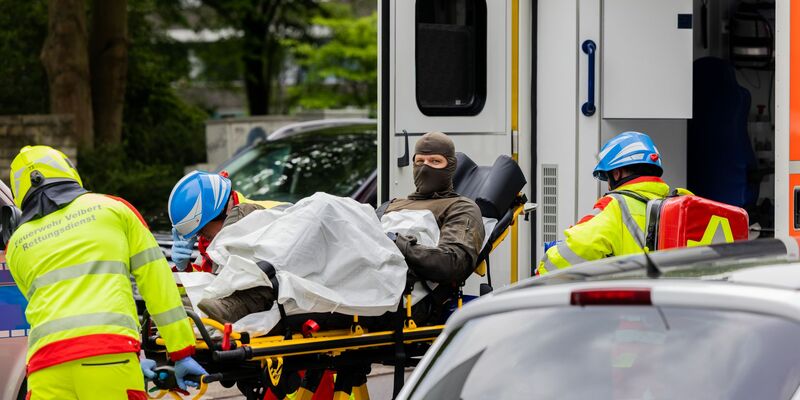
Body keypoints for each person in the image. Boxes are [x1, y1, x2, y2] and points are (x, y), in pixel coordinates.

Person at [197, 131, 485, 326]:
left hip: (401, 284)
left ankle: (251, 296)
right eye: (419, 161)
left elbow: (452, 264)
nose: (425, 167)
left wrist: (395, 242)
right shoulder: (392, 204)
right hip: (363, 263)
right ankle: (228, 280)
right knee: (261, 214)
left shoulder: (460, 208)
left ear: (451, 166)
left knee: (326, 208)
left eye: (435, 162)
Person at [5, 145, 206, 399]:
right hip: (109, 356)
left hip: (44, 367)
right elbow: (158, 285)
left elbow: (46, 307)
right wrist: (181, 350)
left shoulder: (17, 243)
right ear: (67, 170)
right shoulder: (114, 209)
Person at [536, 131, 690, 275]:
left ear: (617, 174)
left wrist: (543, 269)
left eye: (607, 178)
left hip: (628, 301)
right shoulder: (677, 206)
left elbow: (578, 248)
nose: (608, 185)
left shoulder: (616, 205)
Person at [168, 170, 289, 273]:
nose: (200, 236)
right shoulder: (212, 241)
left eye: (201, 229)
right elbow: (206, 283)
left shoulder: (276, 216)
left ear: (223, 210)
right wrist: (183, 269)